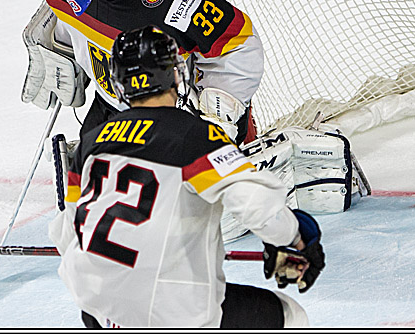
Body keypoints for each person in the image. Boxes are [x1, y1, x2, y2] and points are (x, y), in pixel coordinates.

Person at [48, 25, 325, 328]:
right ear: (174, 74)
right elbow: (259, 208)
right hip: (172, 313)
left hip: (97, 310)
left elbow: (65, 232)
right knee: (291, 316)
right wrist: (296, 237)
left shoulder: (90, 141)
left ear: (118, 81)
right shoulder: (194, 136)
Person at [21, 0, 261, 144]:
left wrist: (217, 113)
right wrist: (60, 41)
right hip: (113, 103)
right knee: (93, 171)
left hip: (170, 116)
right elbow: (77, 6)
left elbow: (238, 44)